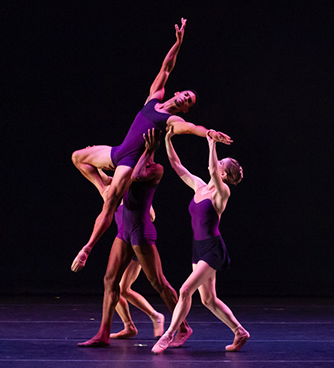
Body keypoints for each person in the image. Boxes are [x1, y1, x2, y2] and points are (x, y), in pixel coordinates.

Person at [71, 18, 232, 270]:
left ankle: (86, 249)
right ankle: (102, 183)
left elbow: (193, 129)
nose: (185, 100)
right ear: (177, 93)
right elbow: (166, 67)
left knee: (111, 202)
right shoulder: (153, 98)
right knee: (78, 157)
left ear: (185, 109)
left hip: (129, 162)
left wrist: (208, 132)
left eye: (188, 102)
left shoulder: (172, 121)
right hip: (118, 152)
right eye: (185, 95)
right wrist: (177, 43)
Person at [72, 129, 192, 348]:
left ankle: (183, 326)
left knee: (158, 282)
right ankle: (103, 333)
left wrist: (148, 150)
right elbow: (84, 163)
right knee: (110, 280)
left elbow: (136, 176)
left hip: (141, 231)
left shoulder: (156, 169)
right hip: (124, 232)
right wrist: (95, 159)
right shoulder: (125, 167)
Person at [151, 126, 249, 354]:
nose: (215, 165)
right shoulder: (200, 186)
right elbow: (177, 166)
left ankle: (168, 335)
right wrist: (168, 138)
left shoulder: (222, 192)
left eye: (220, 164)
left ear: (223, 174)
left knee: (185, 291)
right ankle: (240, 331)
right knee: (208, 300)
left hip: (212, 250)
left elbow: (213, 170)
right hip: (199, 248)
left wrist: (211, 140)